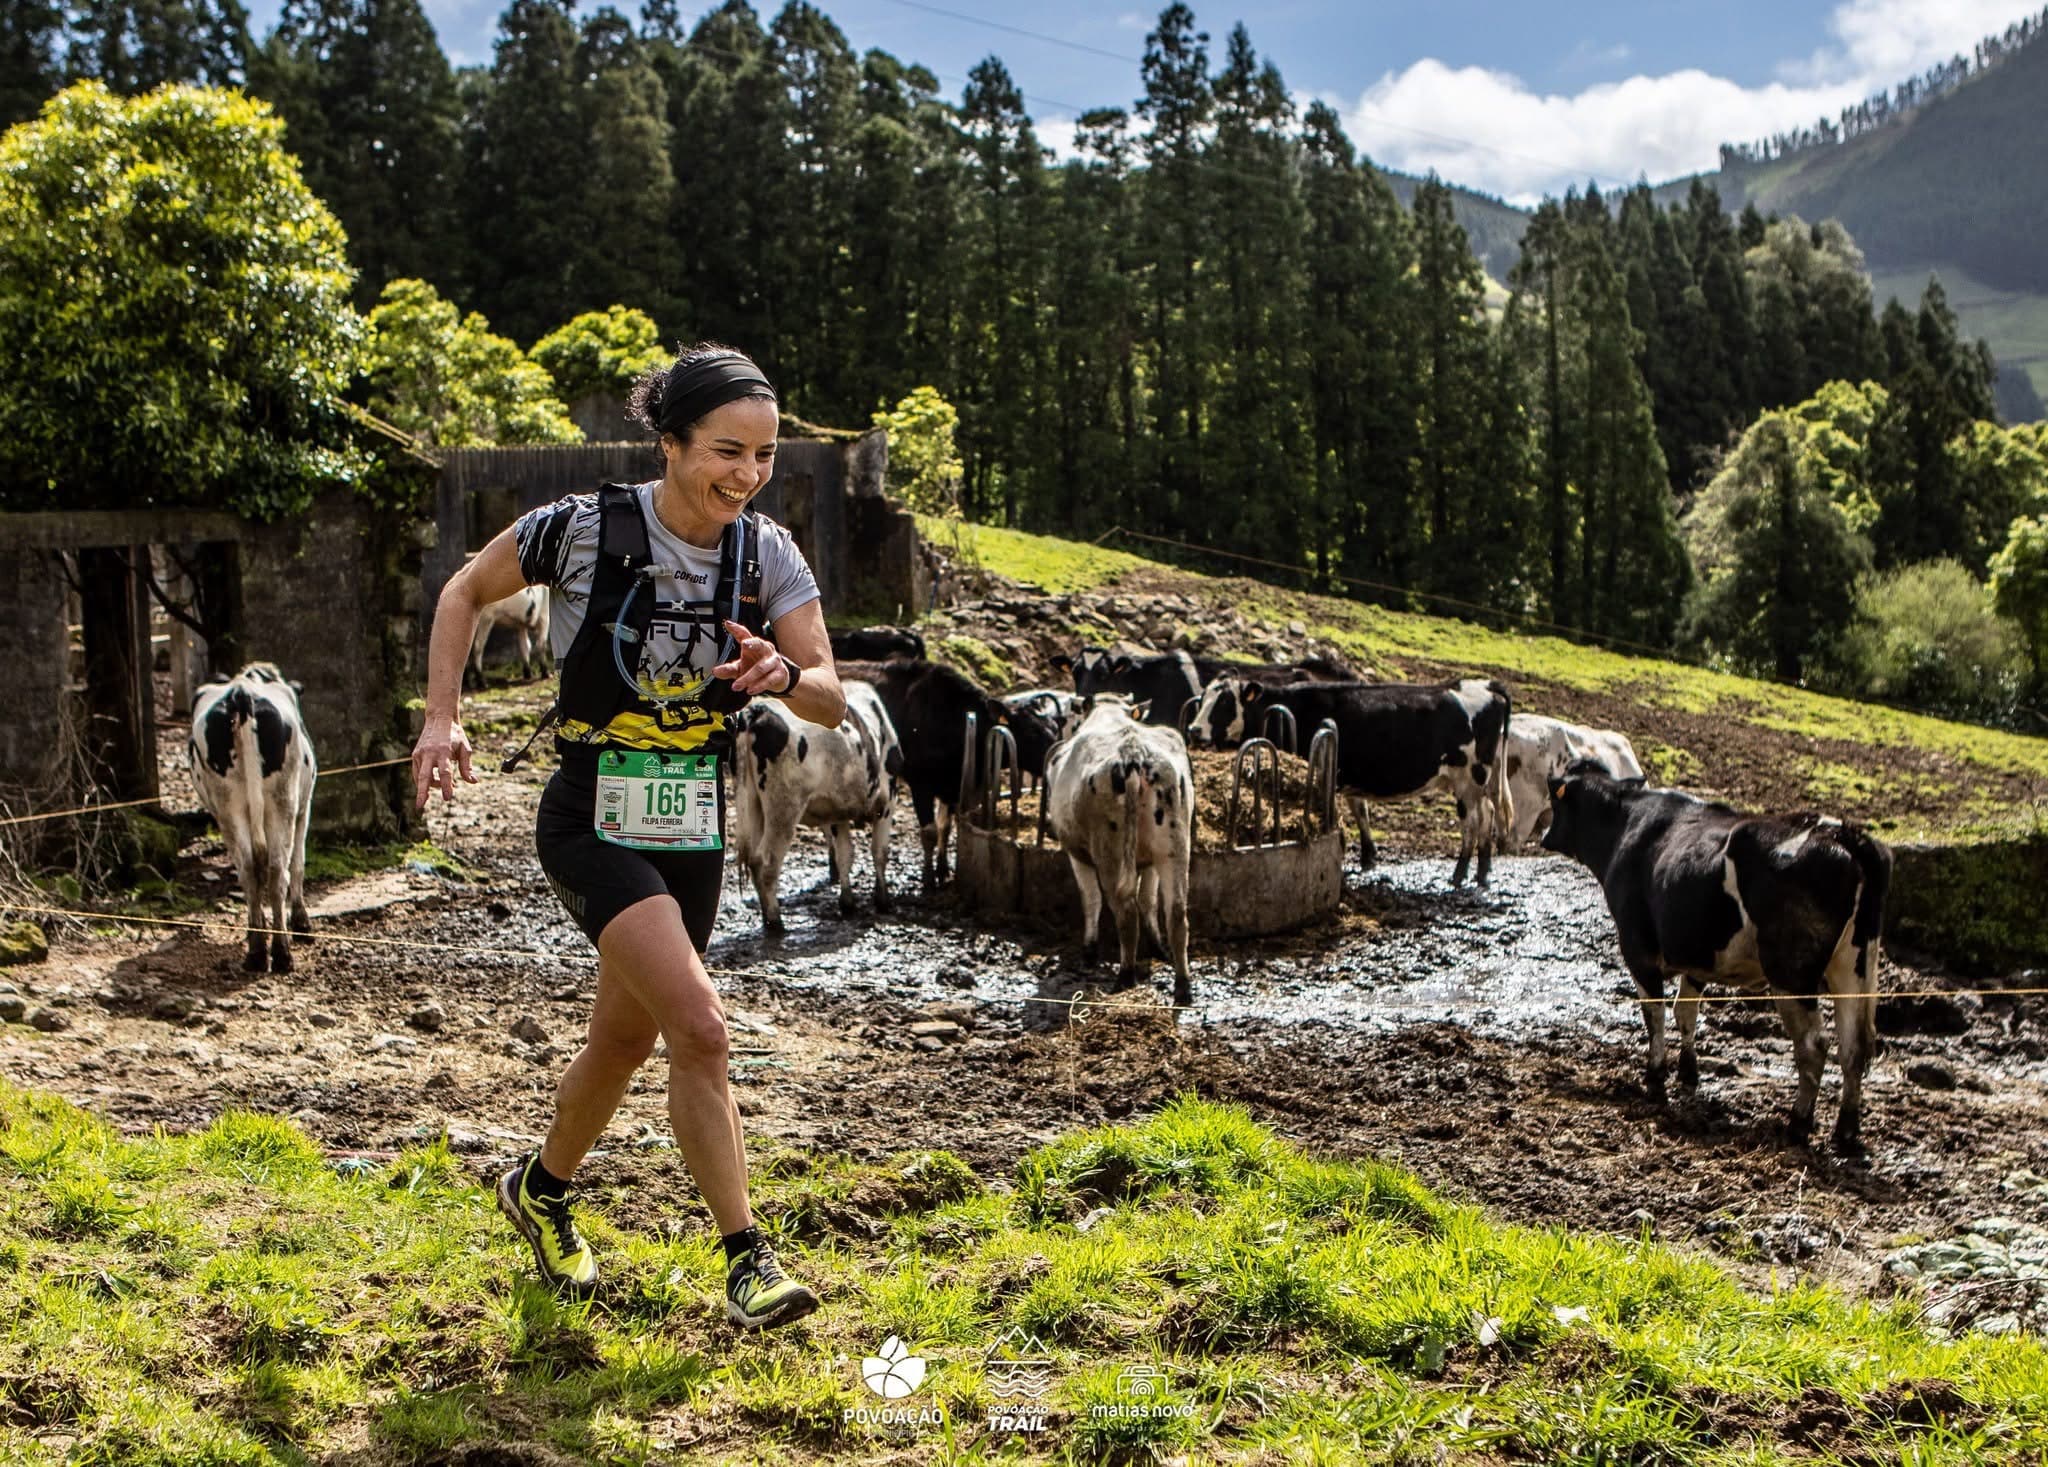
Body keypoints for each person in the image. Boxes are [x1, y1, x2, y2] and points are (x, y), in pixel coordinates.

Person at [411, 343, 844, 1329]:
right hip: (589, 814)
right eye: (727, 451)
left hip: (692, 820)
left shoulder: (767, 554)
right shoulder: (579, 528)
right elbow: (462, 592)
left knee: (622, 1039)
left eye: (765, 455)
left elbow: (829, 695)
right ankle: (747, 1260)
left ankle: (539, 1189)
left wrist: (781, 675)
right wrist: (442, 717)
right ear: (670, 444)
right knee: (701, 1027)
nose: (747, 474)